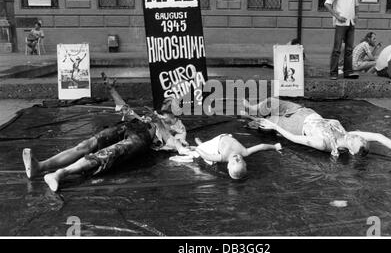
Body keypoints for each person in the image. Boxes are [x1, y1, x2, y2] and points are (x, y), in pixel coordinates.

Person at [22, 74, 190, 192]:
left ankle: (59, 174)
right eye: (167, 102)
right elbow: (125, 109)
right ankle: (40, 166)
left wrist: (180, 144)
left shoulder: (178, 127)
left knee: (104, 155)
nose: (167, 105)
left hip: (142, 138)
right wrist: (111, 89)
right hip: (131, 125)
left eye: (172, 103)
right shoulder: (151, 114)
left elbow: (177, 144)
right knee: (85, 145)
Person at [241, 97, 391, 166]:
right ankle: (251, 109)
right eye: (358, 136)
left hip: (295, 125)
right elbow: (379, 136)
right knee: (272, 102)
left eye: (356, 140)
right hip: (305, 112)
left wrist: (275, 127)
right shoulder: (348, 135)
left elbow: (294, 139)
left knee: (262, 121)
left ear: (352, 150)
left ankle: (249, 117)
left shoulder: (324, 143)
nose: (356, 135)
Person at [324, 0, 360, 80]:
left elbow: (356, 5)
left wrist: (356, 15)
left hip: (351, 24)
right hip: (341, 24)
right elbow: (327, 3)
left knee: (349, 49)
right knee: (337, 49)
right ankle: (333, 73)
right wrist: (337, 16)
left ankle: (348, 72)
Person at [194, 134, 282, 180]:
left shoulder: (223, 157)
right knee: (209, 152)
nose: (236, 159)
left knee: (209, 156)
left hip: (217, 142)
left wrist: (197, 149)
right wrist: (274, 147)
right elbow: (262, 146)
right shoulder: (245, 152)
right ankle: (202, 144)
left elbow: (207, 156)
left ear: (228, 165)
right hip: (227, 136)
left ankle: (200, 144)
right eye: (239, 161)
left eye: (233, 163)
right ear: (244, 162)